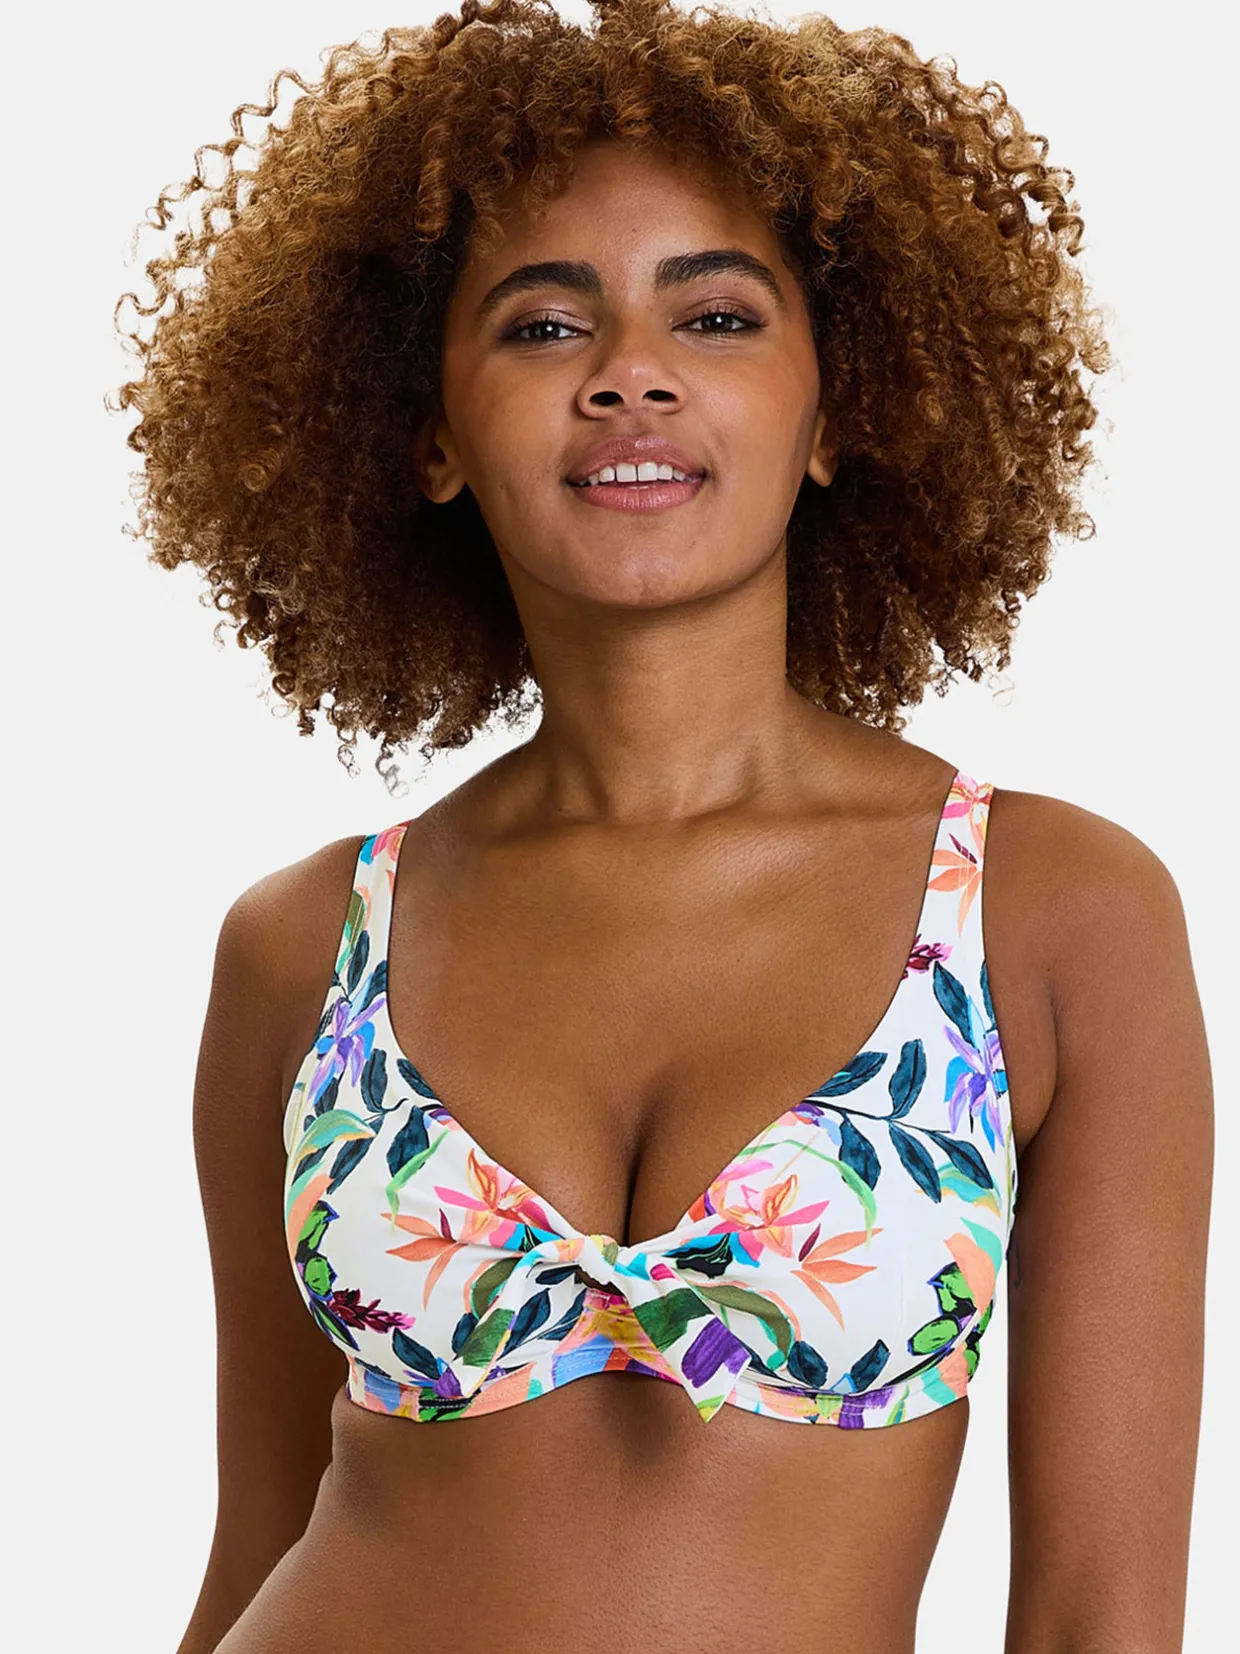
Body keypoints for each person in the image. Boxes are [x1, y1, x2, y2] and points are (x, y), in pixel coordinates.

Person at [111, 1, 1212, 1649]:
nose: (630, 371)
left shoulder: (1048, 911)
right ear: (427, 431)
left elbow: (1098, 1616)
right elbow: (256, 1534)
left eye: (713, 314)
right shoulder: (303, 947)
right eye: (547, 325)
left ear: (837, 409)